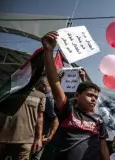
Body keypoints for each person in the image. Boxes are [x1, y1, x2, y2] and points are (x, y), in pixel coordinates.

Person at [41, 31, 109, 160]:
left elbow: (103, 146)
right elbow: (54, 82)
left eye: (96, 97)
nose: (94, 99)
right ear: (77, 95)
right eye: (90, 95)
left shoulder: (99, 120)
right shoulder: (67, 110)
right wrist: (48, 51)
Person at [0, 88, 45, 160]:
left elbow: (40, 118)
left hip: (26, 140)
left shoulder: (39, 95)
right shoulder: (5, 90)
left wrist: (39, 139)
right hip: (1, 138)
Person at [31, 75, 59, 160]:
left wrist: (50, 136)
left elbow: (55, 118)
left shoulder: (48, 97)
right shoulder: (46, 96)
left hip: (40, 135)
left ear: (43, 86)